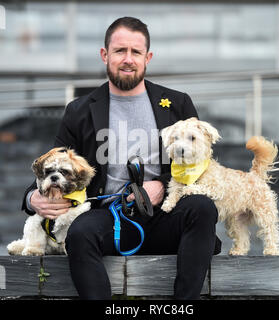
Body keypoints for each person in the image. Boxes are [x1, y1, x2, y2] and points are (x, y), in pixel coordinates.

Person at [22, 16, 221, 300]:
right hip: (107, 217)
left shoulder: (177, 103)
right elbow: (53, 162)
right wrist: (32, 199)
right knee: (79, 233)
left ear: (147, 57)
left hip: (166, 214)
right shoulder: (79, 110)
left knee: (202, 207)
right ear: (105, 55)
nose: (128, 59)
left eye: (135, 52)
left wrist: (163, 184)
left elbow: (201, 165)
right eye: (120, 51)